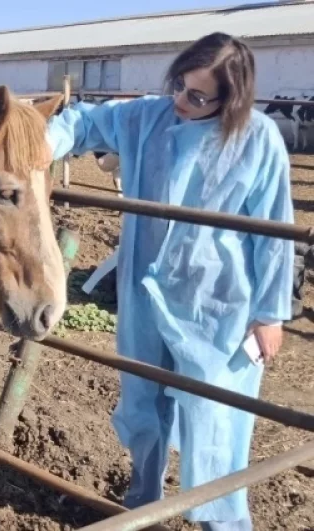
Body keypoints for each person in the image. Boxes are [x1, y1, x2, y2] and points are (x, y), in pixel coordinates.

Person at [45, 32, 295, 530]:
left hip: (216, 305)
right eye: (179, 84)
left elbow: (275, 232)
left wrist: (270, 314)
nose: (181, 100)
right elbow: (84, 122)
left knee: (214, 420)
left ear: (231, 100)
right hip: (144, 293)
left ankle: (221, 522)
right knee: (143, 403)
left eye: (198, 96)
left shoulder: (257, 139)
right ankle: (143, 503)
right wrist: (37, 142)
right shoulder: (147, 118)